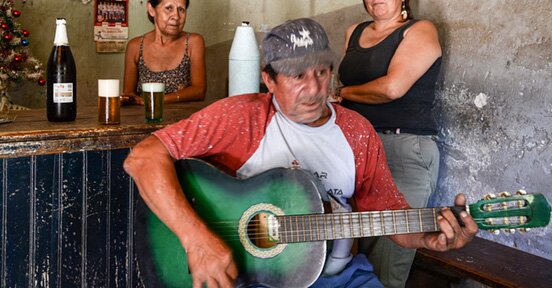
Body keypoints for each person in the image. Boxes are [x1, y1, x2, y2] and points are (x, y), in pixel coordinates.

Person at [124, 18, 476, 288]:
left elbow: (391, 217)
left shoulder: (356, 132)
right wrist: (197, 239)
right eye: (296, 76)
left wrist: (429, 237)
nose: (312, 89)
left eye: (322, 73)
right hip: (257, 279)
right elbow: (143, 158)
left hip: (341, 278)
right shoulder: (241, 117)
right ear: (269, 79)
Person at [336, 0, 443, 287]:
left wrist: (342, 93)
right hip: (357, 150)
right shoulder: (354, 32)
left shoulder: (420, 30)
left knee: (387, 261)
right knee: (353, 254)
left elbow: (393, 88)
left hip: (404, 149)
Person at [121, 0, 206, 105]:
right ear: (151, 10)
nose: (176, 16)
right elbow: (129, 94)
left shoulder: (193, 42)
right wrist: (129, 99)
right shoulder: (135, 46)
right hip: (146, 119)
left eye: (181, 10)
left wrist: (158, 100)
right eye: (169, 8)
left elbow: (199, 91)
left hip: (184, 121)